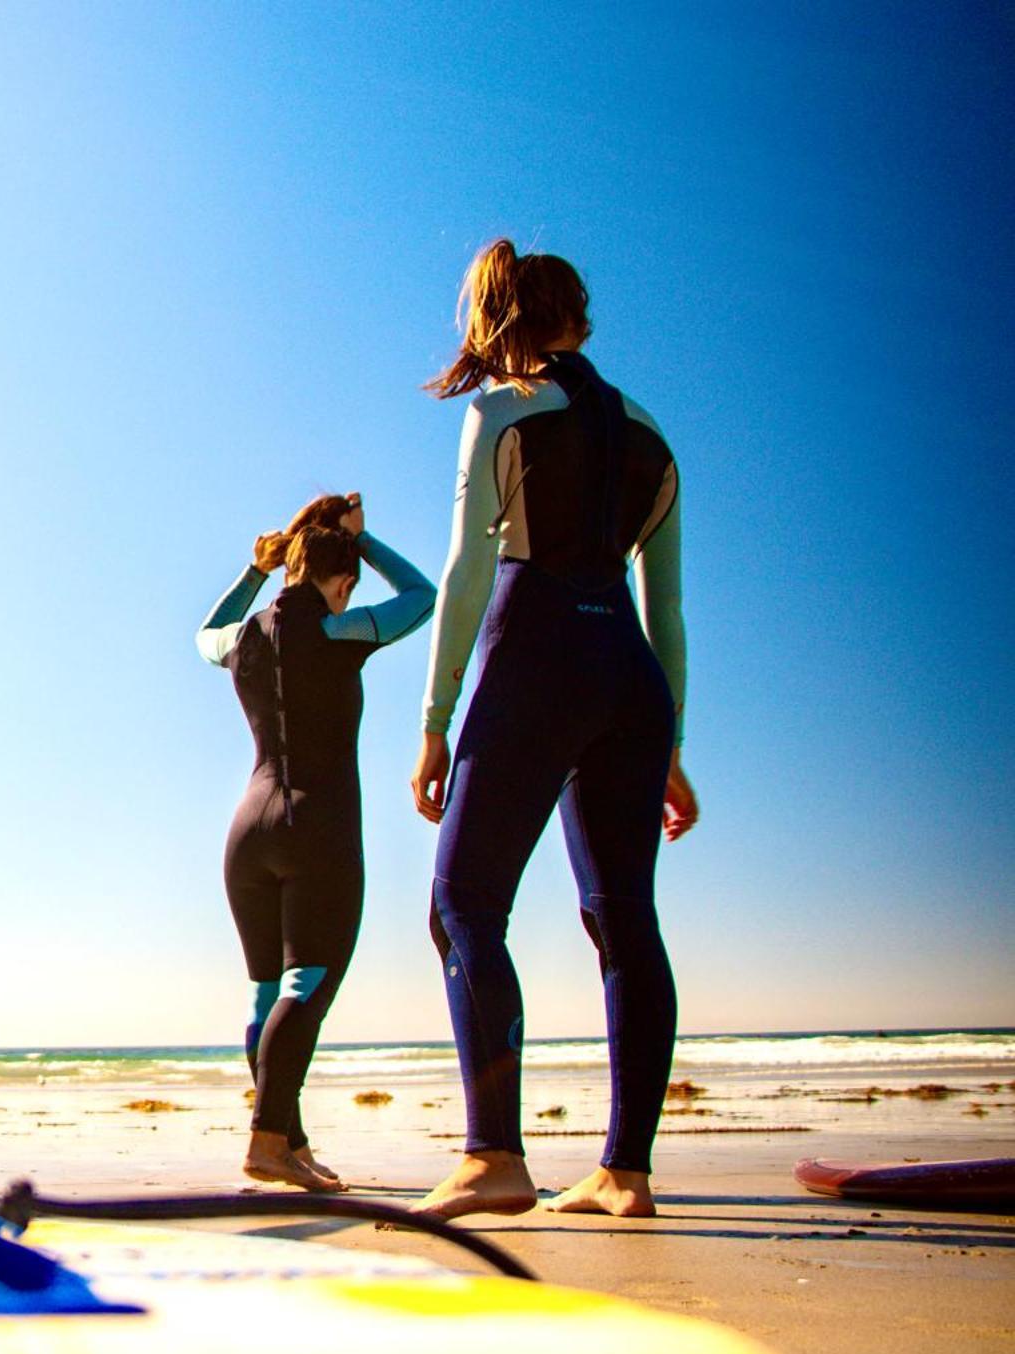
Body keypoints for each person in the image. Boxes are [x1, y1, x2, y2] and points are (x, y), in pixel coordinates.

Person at [408, 240, 698, 1220]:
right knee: (623, 919)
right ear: (578, 317)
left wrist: (434, 720)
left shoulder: (497, 411)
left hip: (534, 659)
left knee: (462, 905)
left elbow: (463, 576)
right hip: (627, 676)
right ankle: (625, 1172)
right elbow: (666, 615)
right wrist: (671, 749)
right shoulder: (653, 435)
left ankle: (494, 1157)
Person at [198, 492, 434, 1191]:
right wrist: (366, 543)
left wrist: (253, 570)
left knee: (266, 995)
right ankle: (269, 1140)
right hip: (318, 825)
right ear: (343, 582)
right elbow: (423, 596)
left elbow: (203, 633)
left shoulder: (244, 636)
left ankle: (290, 1145)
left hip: (247, 829)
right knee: (307, 986)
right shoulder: (344, 629)